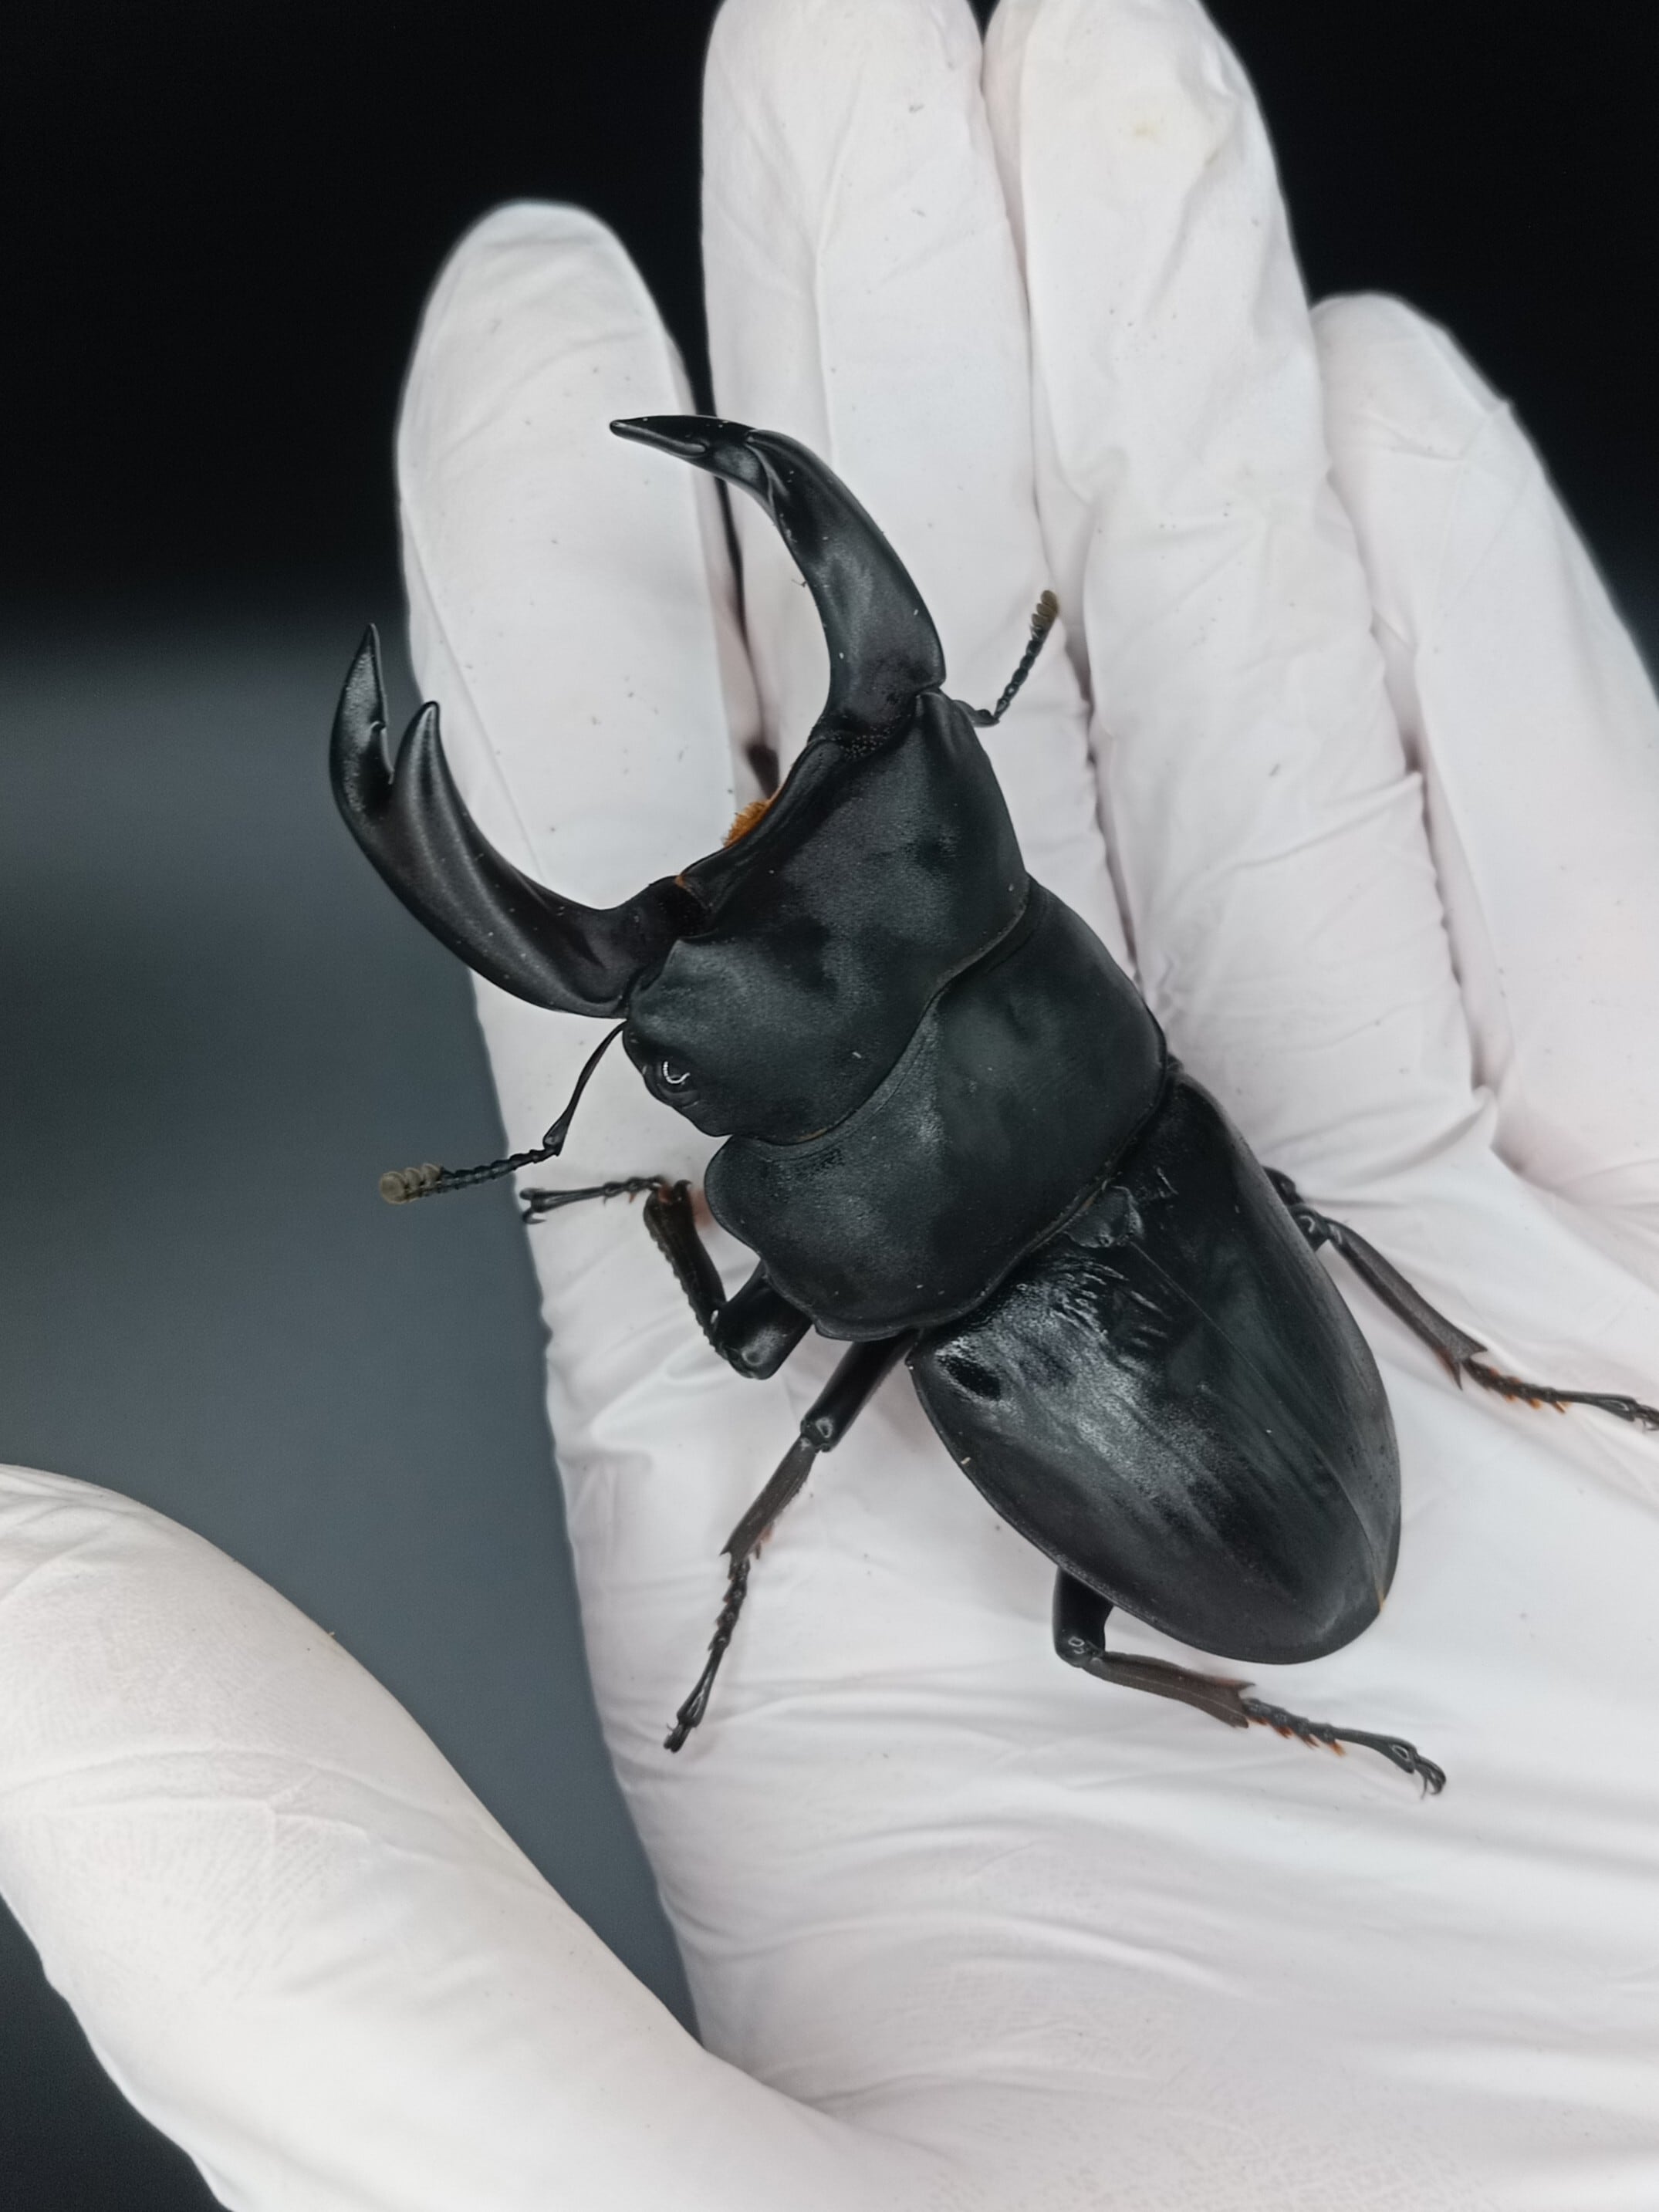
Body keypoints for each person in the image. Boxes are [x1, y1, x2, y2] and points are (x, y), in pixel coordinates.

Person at [5, 2, 1659, 2204]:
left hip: (1236, 1488)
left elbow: (748, 1350)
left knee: (1109, 1513)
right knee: (1316, 1231)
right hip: (1215, 1368)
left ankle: (1350, 1597)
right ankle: (1438, 1479)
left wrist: (661, 1199)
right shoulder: (1155, 1116)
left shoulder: (943, 1257)